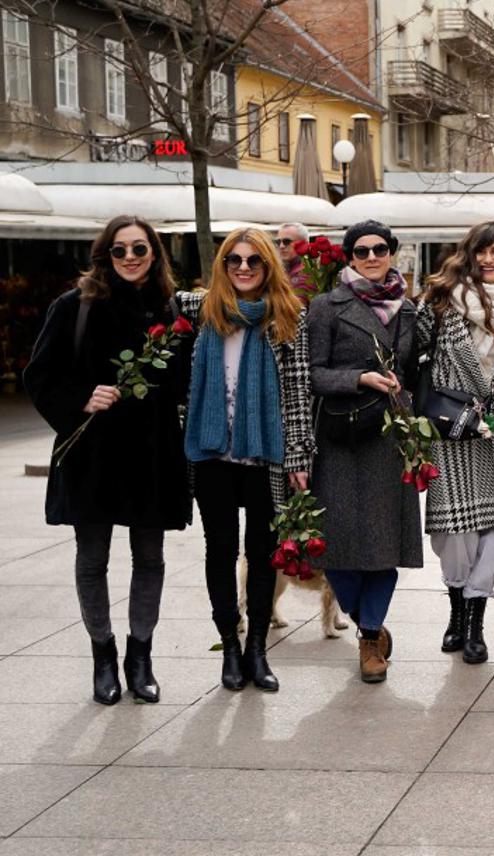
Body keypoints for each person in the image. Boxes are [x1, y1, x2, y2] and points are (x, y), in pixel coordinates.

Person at [23, 216, 192, 705]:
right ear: (106, 256)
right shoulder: (74, 306)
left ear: (155, 254)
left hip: (152, 453)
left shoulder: (171, 308)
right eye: (120, 250)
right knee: (92, 559)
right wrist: (81, 397)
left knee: (150, 558)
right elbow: (39, 376)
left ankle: (141, 658)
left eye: (140, 248)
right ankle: (103, 655)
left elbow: (183, 381)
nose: (131, 258)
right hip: (93, 456)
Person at [178, 227, 313, 693]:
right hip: (212, 455)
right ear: (222, 267)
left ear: (268, 267)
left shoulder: (288, 318)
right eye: (233, 261)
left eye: (253, 261)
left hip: (267, 457)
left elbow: (297, 395)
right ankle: (229, 649)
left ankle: (257, 648)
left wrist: (299, 457)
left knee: (261, 554)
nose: (242, 268)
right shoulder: (202, 313)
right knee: (219, 551)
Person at [305, 221, 423, 683]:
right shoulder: (325, 307)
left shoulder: (409, 310)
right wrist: (358, 378)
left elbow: (415, 369)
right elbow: (312, 373)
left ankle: (370, 637)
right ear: (349, 257)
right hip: (340, 438)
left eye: (379, 249)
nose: (371, 256)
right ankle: (365, 618)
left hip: (389, 438)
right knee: (337, 550)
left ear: (391, 252)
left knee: (384, 547)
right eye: (361, 250)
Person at [416, 222, 494, 665]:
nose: (489, 259)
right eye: (481, 252)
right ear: (469, 254)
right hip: (452, 427)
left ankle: (475, 624)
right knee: (454, 532)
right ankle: (455, 611)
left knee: (493, 528)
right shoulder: (440, 302)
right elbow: (414, 355)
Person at [276, 222, 314, 298]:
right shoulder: (280, 270)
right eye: (278, 242)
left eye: (287, 241)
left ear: (304, 243)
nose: (281, 246)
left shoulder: (308, 272)